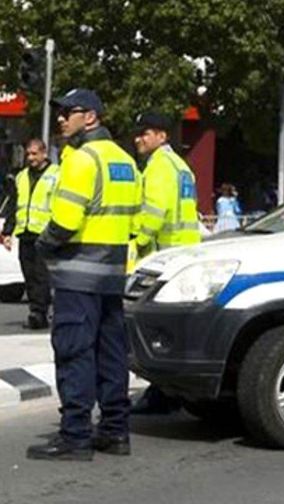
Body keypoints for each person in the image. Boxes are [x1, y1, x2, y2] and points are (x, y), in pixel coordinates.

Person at [27, 89, 141, 461]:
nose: (61, 119)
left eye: (68, 112)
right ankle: (115, 431)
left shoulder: (80, 159)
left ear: (90, 117)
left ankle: (75, 436)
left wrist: (43, 246)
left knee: (74, 352)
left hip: (77, 277)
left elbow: (65, 221)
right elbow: (135, 219)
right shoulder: (125, 161)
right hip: (112, 275)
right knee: (111, 354)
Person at [129, 111, 201, 415]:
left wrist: (137, 240)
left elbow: (154, 212)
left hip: (164, 256)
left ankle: (161, 395)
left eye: (145, 133)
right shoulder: (181, 166)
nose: (139, 139)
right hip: (187, 252)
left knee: (155, 330)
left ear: (162, 136)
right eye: (138, 133)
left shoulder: (158, 166)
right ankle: (168, 393)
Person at [0, 139, 60, 329]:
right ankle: (36, 311)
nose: (30, 158)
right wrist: (7, 232)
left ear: (44, 153)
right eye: (28, 154)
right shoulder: (21, 176)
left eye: (34, 154)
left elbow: (61, 205)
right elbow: (13, 206)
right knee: (29, 275)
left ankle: (39, 313)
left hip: (45, 234)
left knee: (41, 275)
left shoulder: (56, 175)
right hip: (25, 233)